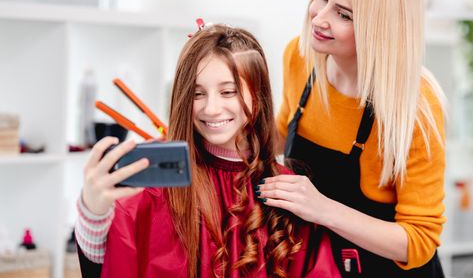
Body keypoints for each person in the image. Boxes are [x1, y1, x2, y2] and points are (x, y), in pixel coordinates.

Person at [75, 24, 340, 277]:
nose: (211, 108)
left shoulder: (287, 192)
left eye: (228, 92)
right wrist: (93, 214)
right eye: (197, 94)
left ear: (257, 96)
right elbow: (112, 261)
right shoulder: (156, 188)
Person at [255, 0, 447, 277]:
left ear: (380, 29)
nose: (319, 18)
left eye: (344, 14)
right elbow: (283, 132)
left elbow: (419, 241)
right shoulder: (300, 58)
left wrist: (322, 209)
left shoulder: (415, 108)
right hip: (321, 264)